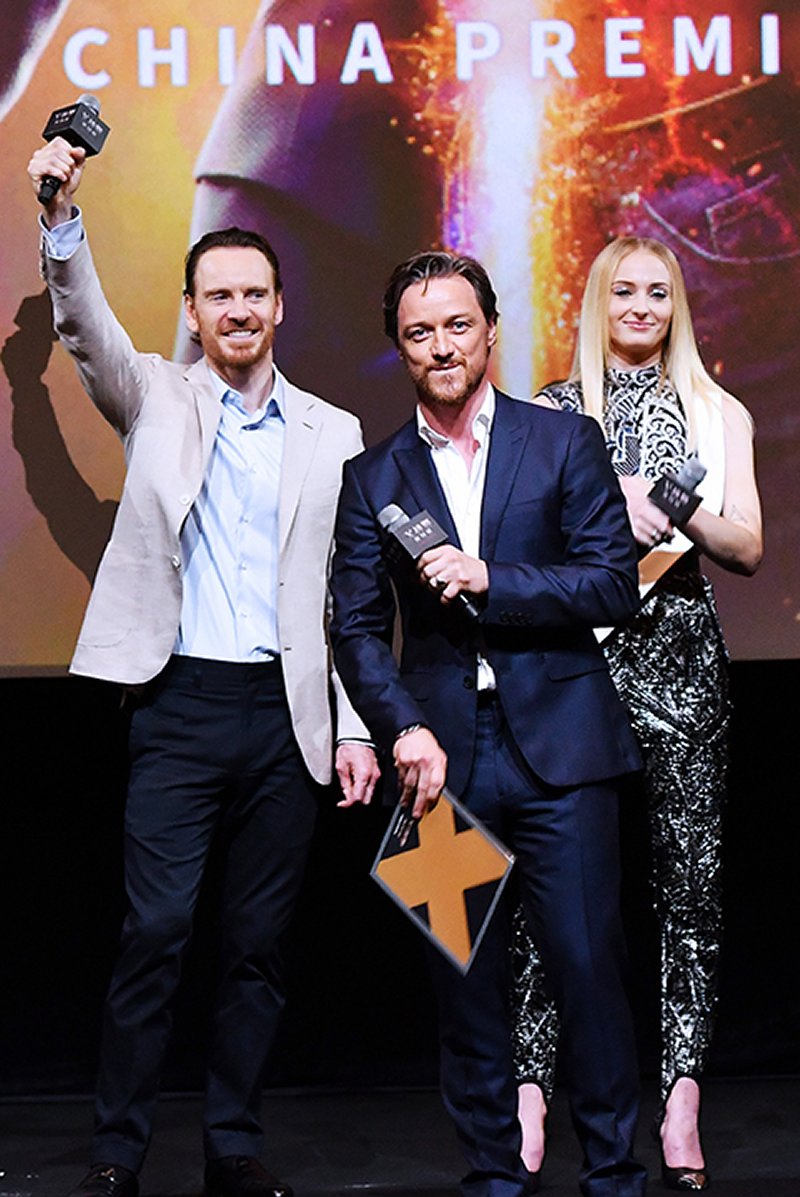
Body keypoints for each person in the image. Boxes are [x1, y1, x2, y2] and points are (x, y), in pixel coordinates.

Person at [26, 135, 379, 1197]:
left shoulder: (333, 431)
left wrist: (355, 725)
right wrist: (60, 220)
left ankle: (233, 1143)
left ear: (279, 308)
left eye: (253, 294)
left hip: (285, 712)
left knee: (258, 944)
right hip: (179, 702)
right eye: (217, 294)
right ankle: (117, 1149)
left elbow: (345, 601)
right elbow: (85, 327)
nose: (236, 310)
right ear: (191, 310)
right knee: (157, 931)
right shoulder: (155, 396)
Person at [329, 249, 649, 1197]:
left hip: (562, 750)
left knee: (588, 968)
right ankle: (493, 1176)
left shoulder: (563, 441)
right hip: (437, 762)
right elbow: (354, 627)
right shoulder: (372, 475)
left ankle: (614, 1171)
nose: (442, 346)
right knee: (462, 984)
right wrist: (399, 727)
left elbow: (612, 583)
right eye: (420, 332)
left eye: (458, 325)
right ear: (400, 348)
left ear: (492, 331)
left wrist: (489, 578)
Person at [513, 236, 763, 1191]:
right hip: (576, 662)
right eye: (624, 290)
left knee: (688, 890)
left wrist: (675, 506)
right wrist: (606, 500)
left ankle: (681, 1099)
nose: (642, 306)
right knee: (553, 889)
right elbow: (518, 539)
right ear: (597, 299)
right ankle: (531, 1093)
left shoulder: (718, 411)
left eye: (659, 292)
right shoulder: (551, 411)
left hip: (684, 667)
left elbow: (747, 546)